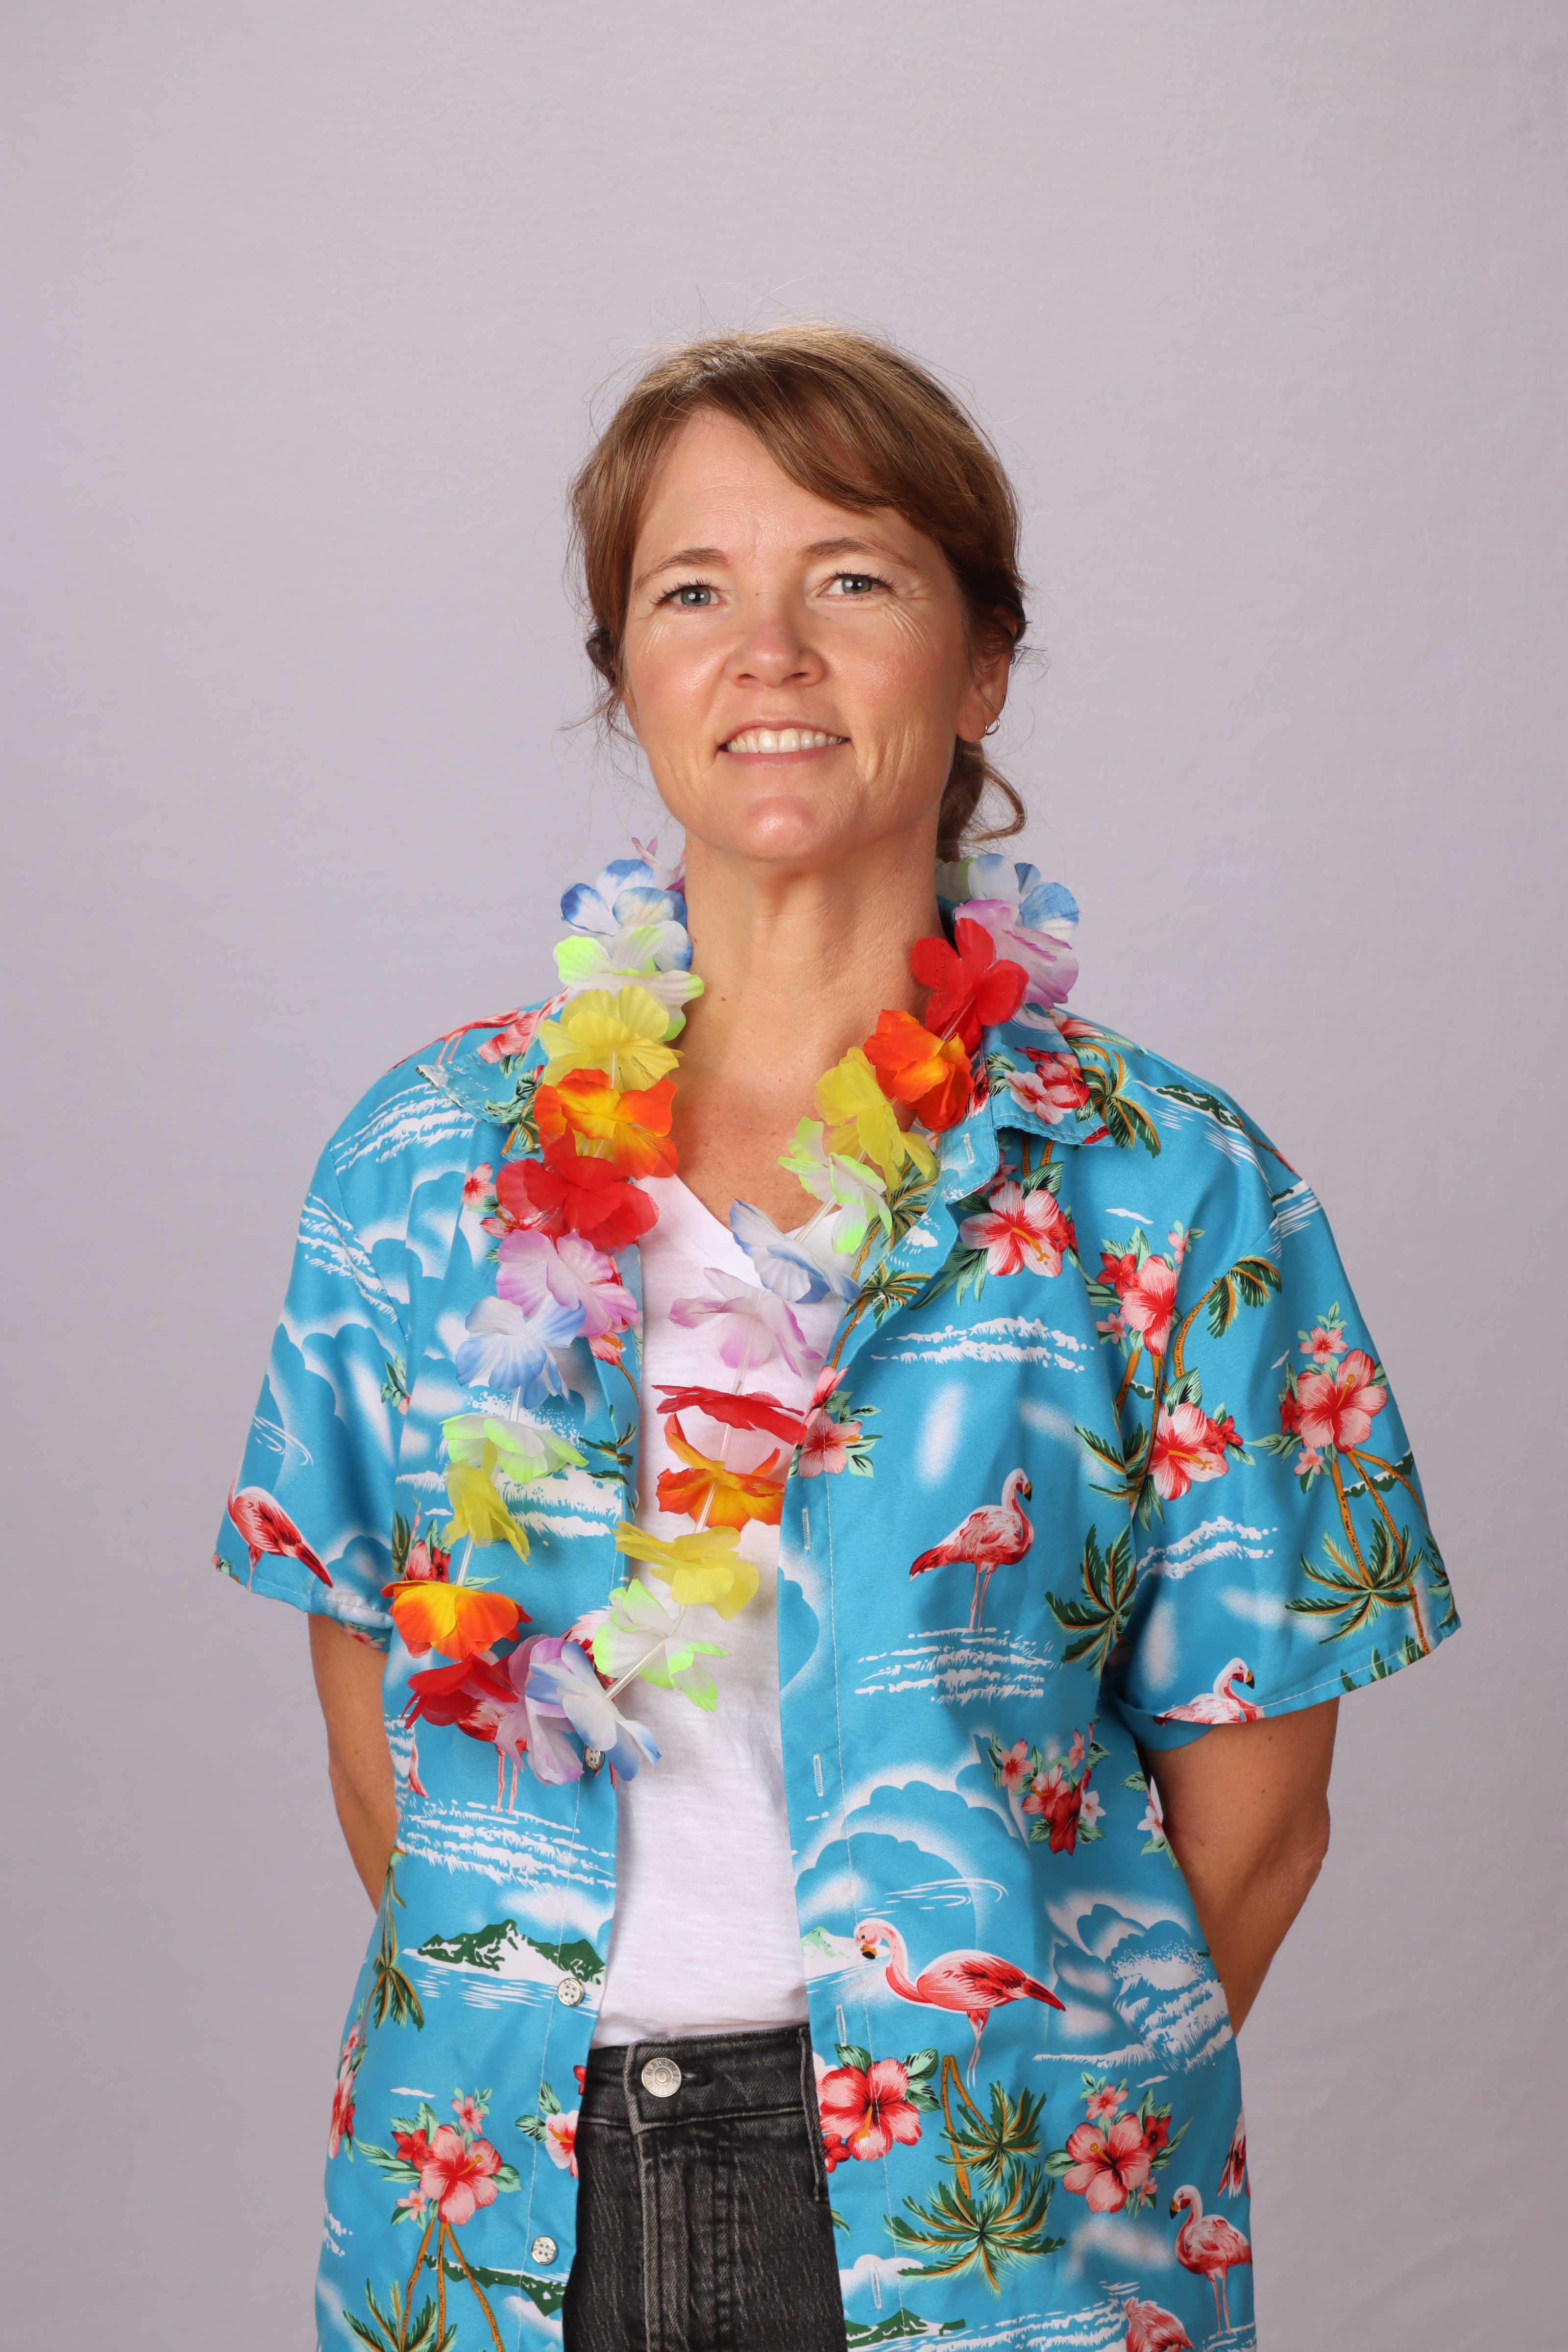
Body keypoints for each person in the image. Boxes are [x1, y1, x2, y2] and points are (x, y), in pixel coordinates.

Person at [217, 326, 1458, 2352]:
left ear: (981, 669)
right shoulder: (419, 1167)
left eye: (853, 578)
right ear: (626, 673)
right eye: (692, 592)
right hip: (501, 2204)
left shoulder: (1164, 1187)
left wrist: (1017, 2128)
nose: (767, 654)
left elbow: (1261, 1817)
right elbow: (384, 1751)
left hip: (987, 2230)